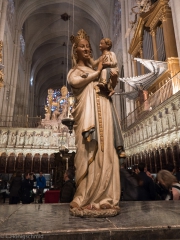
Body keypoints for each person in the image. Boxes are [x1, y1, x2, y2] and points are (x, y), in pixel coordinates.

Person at [68, 29, 124, 216]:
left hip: (104, 110)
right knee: (86, 152)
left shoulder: (97, 67)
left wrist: (109, 85)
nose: (86, 49)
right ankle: (84, 196)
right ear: (76, 51)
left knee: (106, 150)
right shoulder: (75, 71)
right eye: (82, 47)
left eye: (88, 46)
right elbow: (75, 81)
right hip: (86, 118)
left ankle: (106, 197)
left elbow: (109, 78)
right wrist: (97, 72)